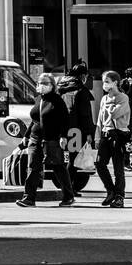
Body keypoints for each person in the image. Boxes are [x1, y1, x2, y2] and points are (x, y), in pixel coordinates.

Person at [15, 72, 74, 208]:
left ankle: (68, 196)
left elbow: (65, 120)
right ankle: (29, 198)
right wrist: (26, 135)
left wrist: (63, 136)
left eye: (45, 83)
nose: (42, 85)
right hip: (35, 139)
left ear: (52, 85)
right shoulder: (38, 99)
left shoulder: (57, 100)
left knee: (58, 167)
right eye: (40, 83)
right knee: (33, 167)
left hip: (52, 139)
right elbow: (34, 120)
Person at [57, 61, 95, 196]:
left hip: (62, 129)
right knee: (73, 160)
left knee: (67, 159)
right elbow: (85, 114)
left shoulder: (61, 88)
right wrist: (90, 133)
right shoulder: (80, 90)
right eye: (85, 76)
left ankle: (68, 188)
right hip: (76, 130)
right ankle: (68, 189)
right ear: (82, 76)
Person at [94, 70, 131, 207]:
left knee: (118, 168)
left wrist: (112, 101)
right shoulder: (104, 99)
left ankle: (119, 196)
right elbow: (100, 119)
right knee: (99, 163)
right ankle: (111, 190)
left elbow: (115, 114)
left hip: (119, 135)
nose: (104, 84)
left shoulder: (123, 98)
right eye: (104, 81)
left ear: (115, 82)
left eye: (107, 82)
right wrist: (97, 137)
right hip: (106, 134)